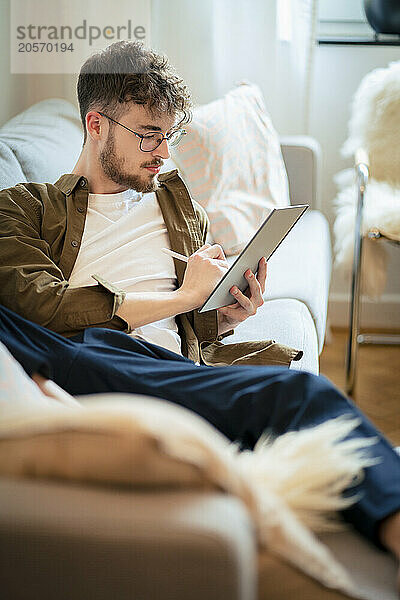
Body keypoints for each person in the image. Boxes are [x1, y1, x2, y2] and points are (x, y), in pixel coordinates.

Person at [0, 40, 399, 589]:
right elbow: (43, 307)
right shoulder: (24, 208)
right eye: (148, 134)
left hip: (172, 372)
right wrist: (184, 299)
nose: (162, 151)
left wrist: (225, 310)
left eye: (170, 135)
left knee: (305, 406)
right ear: (96, 125)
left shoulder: (175, 201)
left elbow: (193, 323)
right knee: (307, 399)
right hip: (91, 356)